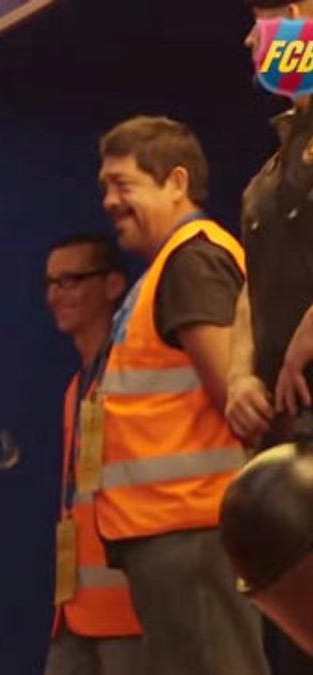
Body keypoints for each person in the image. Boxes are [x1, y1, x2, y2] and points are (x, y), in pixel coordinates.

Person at [94, 116, 266, 674]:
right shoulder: (166, 268)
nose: (109, 201)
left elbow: (236, 399)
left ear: (176, 182)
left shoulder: (192, 259)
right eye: (105, 187)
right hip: (172, 534)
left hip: (194, 530)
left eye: (123, 184)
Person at [224, 3, 313, 671]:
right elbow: (250, 289)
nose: (254, 37)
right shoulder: (271, 170)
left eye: (269, 17)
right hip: (292, 436)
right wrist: (238, 374)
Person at [41, 233, 143, 675]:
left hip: (131, 609)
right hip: (75, 607)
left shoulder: (133, 373)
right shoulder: (75, 388)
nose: (56, 295)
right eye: (51, 283)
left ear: (113, 284)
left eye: (71, 280)